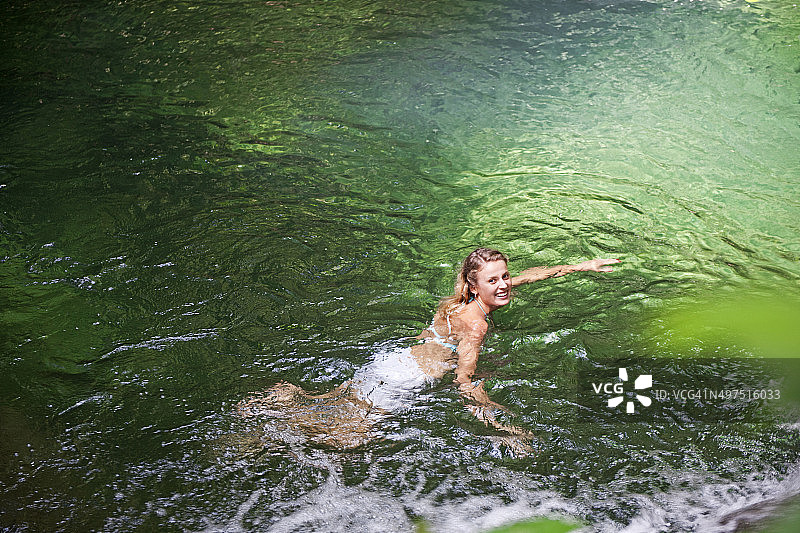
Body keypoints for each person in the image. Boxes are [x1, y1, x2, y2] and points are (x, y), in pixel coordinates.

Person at [237, 248, 619, 450]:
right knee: (349, 439)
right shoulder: (477, 323)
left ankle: (286, 399)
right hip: (406, 383)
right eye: (494, 280)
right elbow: (464, 382)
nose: (504, 285)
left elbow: (530, 276)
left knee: (336, 405)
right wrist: (501, 425)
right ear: (476, 285)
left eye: (505, 276)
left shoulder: (459, 302)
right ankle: (273, 425)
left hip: (391, 362)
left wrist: (580, 267)